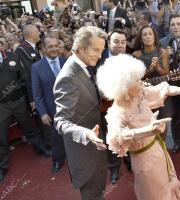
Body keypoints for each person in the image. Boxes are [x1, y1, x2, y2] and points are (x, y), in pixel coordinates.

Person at [97, 54, 180, 200]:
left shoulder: (139, 93)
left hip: (158, 149)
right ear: (123, 86)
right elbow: (117, 137)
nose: (141, 82)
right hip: (144, 162)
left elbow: (163, 88)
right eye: (137, 80)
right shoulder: (117, 111)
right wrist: (147, 131)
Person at [53, 26, 108, 200]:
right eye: (96, 50)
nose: (99, 56)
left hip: (95, 149)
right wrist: (86, 134)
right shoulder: (68, 77)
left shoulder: (82, 66)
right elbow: (60, 121)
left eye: (101, 51)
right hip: (86, 156)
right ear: (81, 48)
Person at [0, 43, 50, 183]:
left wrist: (31, 98)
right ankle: (2, 167)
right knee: (1, 137)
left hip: (19, 101)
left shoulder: (12, 56)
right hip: (1, 106)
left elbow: (24, 78)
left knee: (30, 129)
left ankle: (41, 150)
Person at [98, 29, 132, 185]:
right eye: (116, 41)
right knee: (112, 137)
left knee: (129, 134)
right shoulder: (98, 59)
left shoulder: (131, 60)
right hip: (107, 108)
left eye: (123, 42)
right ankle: (114, 168)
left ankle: (130, 161)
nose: (120, 45)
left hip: (127, 107)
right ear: (108, 43)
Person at [31, 35, 67, 173]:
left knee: (72, 134)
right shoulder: (36, 67)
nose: (54, 49)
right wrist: (43, 113)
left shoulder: (66, 61)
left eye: (56, 45)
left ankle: (74, 156)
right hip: (52, 110)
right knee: (56, 137)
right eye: (50, 46)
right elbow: (37, 94)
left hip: (70, 107)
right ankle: (58, 160)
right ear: (44, 49)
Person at [159, 14, 180, 153]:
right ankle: (178, 141)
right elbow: (160, 64)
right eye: (173, 24)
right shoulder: (163, 42)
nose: (176, 27)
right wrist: (165, 56)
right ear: (169, 27)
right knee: (175, 115)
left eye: (178, 24)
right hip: (172, 84)